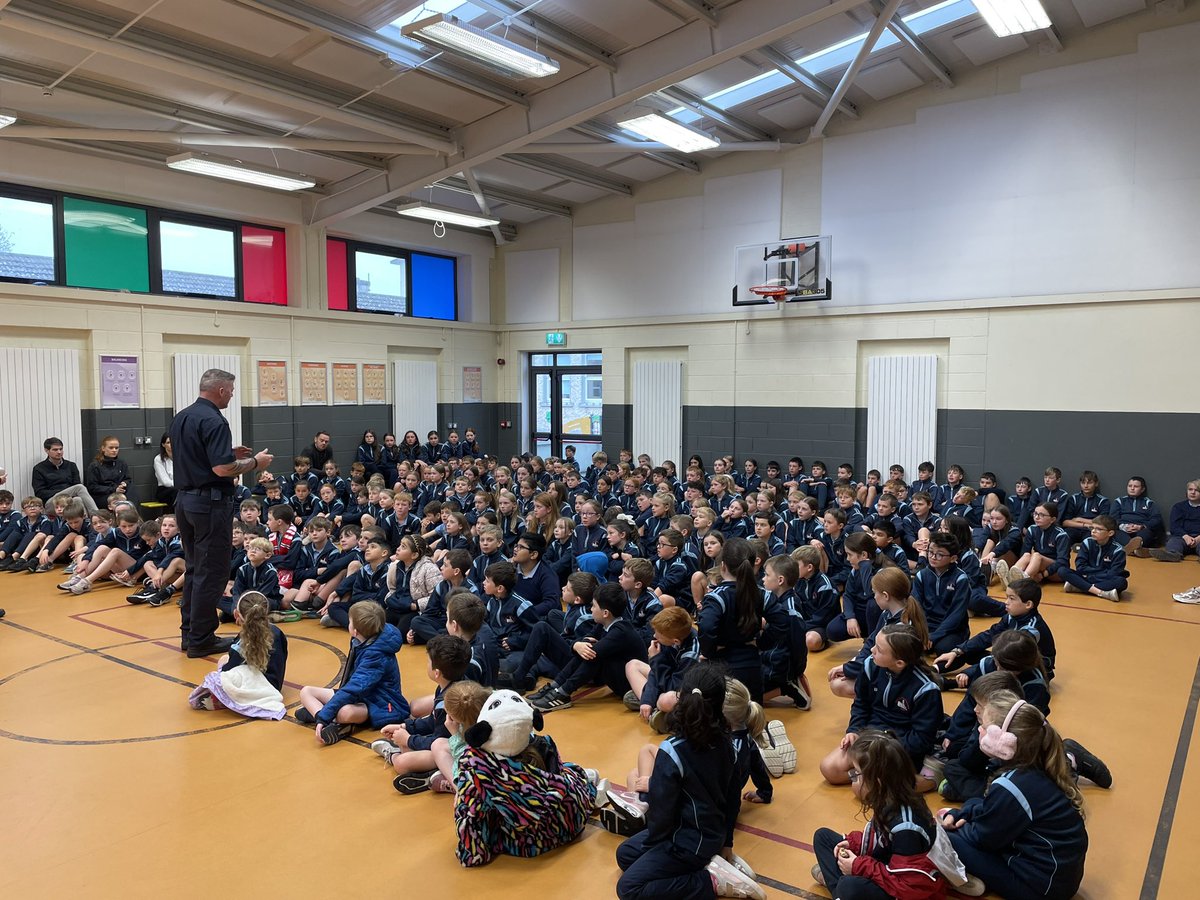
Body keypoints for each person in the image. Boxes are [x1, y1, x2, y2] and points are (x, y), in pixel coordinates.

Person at [614, 664, 767, 900]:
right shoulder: (729, 744)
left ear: (681, 700)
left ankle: (710, 881)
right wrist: (727, 842)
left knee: (628, 888)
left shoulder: (672, 751)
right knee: (625, 854)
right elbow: (732, 799)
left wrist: (648, 800)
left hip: (685, 843)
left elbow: (662, 816)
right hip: (709, 834)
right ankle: (711, 863)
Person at [939, 694, 1088, 899]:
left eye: (985, 726)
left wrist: (958, 823)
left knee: (941, 836)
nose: (980, 730)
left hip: (1041, 890)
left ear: (1006, 741)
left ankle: (964, 879)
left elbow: (983, 839)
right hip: (1057, 879)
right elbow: (992, 810)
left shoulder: (1011, 786)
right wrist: (965, 812)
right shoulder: (1036, 767)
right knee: (973, 805)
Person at [170, 368, 272, 658]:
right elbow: (221, 470)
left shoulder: (182, 416)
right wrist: (255, 462)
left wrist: (228, 452)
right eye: (231, 390)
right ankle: (202, 638)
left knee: (194, 569)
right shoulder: (215, 419)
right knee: (212, 573)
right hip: (209, 504)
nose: (232, 395)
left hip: (185, 502)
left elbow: (200, 456)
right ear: (222, 390)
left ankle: (190, 634)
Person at [812, 729, 947, 899]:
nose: (853, 779)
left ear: (876, 781)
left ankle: (840, 887)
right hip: (890, 866)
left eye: (855, 773)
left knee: (849, 885)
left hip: (907, 889)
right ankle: (841, 889)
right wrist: (853, 844)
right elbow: (880, 841)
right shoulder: (889, 798)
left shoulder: (907, 829)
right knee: (823, 837)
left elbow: (907, 888)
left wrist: (858, 866)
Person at [295, 600, 408, 745]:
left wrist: (324, 716)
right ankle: (331, 721)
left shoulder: (376, 655)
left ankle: (327, 719)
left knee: (345, 712)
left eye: (349, 621)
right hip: (359, 695)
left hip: (382, 704)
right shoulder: (363, 638)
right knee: (306, 691)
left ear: (355, 630)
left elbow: (354, 688)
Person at [188, 591, 289, 719]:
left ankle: (232, 700)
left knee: (223, 662)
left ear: (236, 614)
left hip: (257, 686)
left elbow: (228, 668)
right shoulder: (277, 632)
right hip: (274, 686)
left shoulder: (243, 640)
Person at [31, 437, 97, 514]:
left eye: (61, 449)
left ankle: (86, 523)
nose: (59, 452)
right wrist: (64, 492)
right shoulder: (39, 468)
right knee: (80, 487)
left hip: (70, 498)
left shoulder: (71, 465)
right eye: (55, 450)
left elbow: (75, 483)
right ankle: (97, 515)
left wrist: (68, 494)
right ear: (47, 450)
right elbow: (40, 493)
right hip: (52, 502)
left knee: (78, 500)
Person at [1150, 479, 1200, 562]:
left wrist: (1198, 538)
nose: (1193, 492)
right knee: (1173, 541)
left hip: (1199, 538)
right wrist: (1186, 536)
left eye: (1197, 490)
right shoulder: (1178, 507)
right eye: (1190, 489)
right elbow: (1175, 526)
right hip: (1183, 538)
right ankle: (1173, 555)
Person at [85, 436, 133, 508]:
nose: (114, 450)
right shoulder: (95, 466)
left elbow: (128, 479)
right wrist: (114, 489)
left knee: (132, 491)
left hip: (121, 492)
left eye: (116, 448)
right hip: (103, 495)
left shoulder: (122, 463)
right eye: (111, 448)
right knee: (117, 502)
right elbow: (92, 487)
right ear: (103, 448)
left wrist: (124, 483)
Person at [154, 433, 176, 509]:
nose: (171, 444)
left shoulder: (181, 457)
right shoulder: (158, 459)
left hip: (179, 488)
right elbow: (165, 482)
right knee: (176, 492)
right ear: (163, 445)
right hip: (164, 490)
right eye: (168, 442)